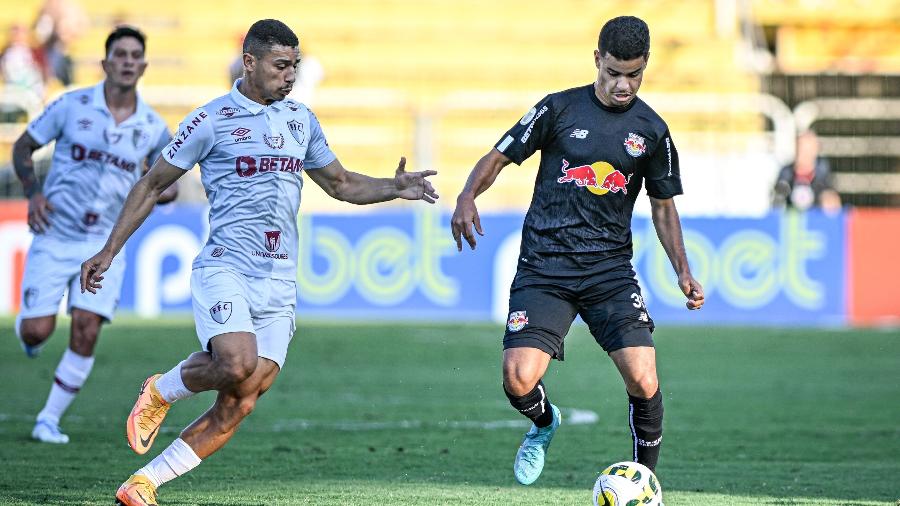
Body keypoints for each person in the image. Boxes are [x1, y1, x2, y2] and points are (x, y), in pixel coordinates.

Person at [79, 19, 438, 506]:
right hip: (226, 267)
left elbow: (340, 183)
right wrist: (108, 250)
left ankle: (144, 483)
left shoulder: (300, 120)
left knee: (242, 397)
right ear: (250, 62)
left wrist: (395, 188)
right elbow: (150, 183)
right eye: (281, 65)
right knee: (234, 362)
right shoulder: (212, 119)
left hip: (280, 280)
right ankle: (161, 390)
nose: (290, 76)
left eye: (295, 66)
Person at [450, 16, 704, 485]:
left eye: (634, 74)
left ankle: (644, 483)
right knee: (518, 378)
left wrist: (682, 271)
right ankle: (545, 422)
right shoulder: (558, 109)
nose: (623, 85)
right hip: (545, 267)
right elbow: (498, 156)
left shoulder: (652, 130)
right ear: (597, 61)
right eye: (613, 73)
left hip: (609, 270)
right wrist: (468, 195)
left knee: (644, 378)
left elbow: (664, 209)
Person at [11, 25, 174, 445]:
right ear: (105, 63)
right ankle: (31, 337)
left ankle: (48, 419)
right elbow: (22, 147)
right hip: (56, 233)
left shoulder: (153, 127)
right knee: (36, 332)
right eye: (119, 54)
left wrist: (160, 185)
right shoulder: (70, 105)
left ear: (143, 65)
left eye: (135, 55)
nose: (127, 61)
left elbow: (169, 186)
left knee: (86, 327)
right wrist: (32, 195)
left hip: (106, 243)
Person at [772, 130, 841, 212]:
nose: (803, 154)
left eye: (807, 150)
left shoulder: (823, 173)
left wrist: (829, 200)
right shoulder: (786, 173)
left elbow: (833, 202)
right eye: (800, 149)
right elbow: (777, 203)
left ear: (815, 150)